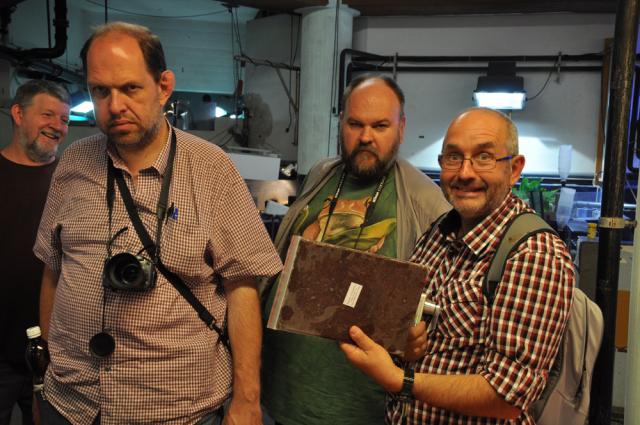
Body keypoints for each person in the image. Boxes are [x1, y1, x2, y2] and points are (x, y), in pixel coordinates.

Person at [33, 22, 281, 425]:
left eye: (130, 88)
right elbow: (53, 270)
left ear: (164, 86)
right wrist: (45, 377)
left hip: (175, 410)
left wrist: (247, 399)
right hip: (72, 405)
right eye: (101, 91)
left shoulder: (211, 169)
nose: (114, 107)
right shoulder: (73, 164)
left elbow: (242, 288)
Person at [340, 107, 575, 424]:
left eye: (484, 158)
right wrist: (405, 344)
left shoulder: (534, 253)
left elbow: (508, 395)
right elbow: (419, 333)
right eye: (453, 157)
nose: (465, 173)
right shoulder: (438, 233)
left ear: (515, 169)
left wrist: (400, 380)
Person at [261, 74, 451, 425]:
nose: (366, 137)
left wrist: (420, 336)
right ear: (341, 124)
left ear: (402, 128)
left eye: (380, 125)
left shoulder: (425, 201)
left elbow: (444, 305)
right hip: (277, 397)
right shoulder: (322, 173)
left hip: (357, 409)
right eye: (355, 124)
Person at [0, 80, 69, 425]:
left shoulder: (74, 183)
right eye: (48, 115)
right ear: (17, 113)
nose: (58, 126)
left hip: (57, 352)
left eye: (64, 119)